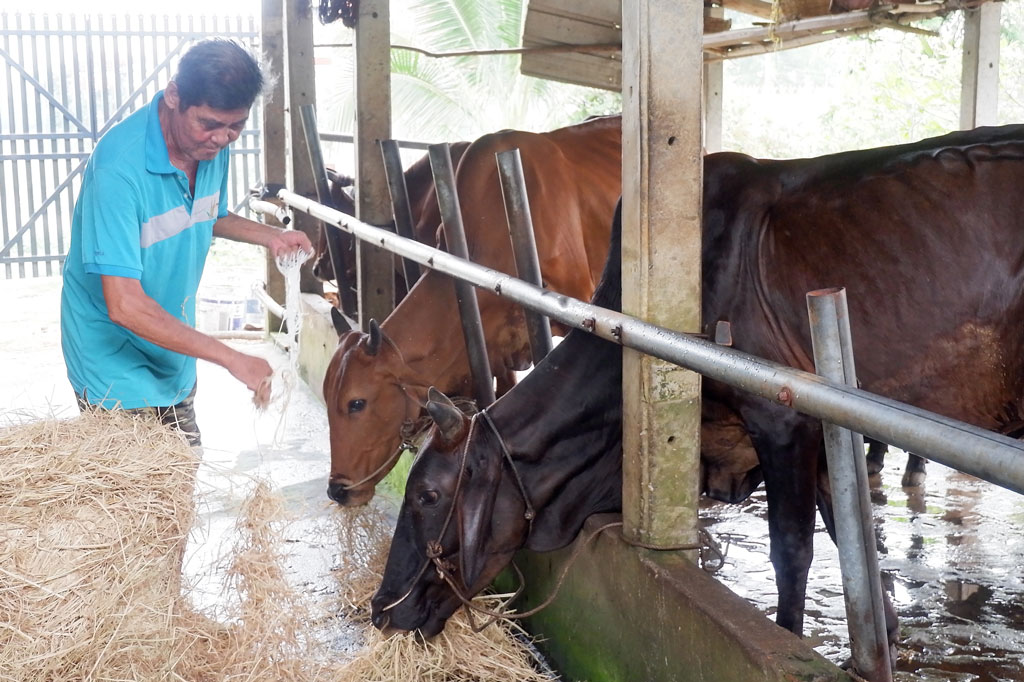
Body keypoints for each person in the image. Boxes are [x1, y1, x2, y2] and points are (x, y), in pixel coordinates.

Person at [60, 38, 312, 446]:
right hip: (111, 355)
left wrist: (273, 236)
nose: (221, 137)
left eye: (235, 126)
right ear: (174, 95)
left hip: (171, 342)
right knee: (136, 492)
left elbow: (205, 213)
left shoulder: (212, 146)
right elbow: (124, 305)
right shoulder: (118, 170)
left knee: (183, 467)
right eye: (210, 123)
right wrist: (231, 358)